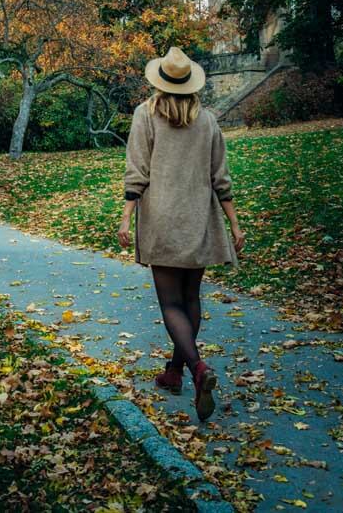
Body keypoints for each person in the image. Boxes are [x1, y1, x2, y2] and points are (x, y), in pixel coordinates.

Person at [118, 47, 246, 422]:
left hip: (161, 220)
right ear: (191, 85)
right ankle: (175, 372)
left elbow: (136, 171)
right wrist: (235, 224)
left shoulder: (146, 115)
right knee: (190, 299)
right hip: (199, 221)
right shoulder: (207, 120)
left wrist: (126, 217)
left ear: (160, 82)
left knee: (171, 304)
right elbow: (220, 178)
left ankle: (196, 369)